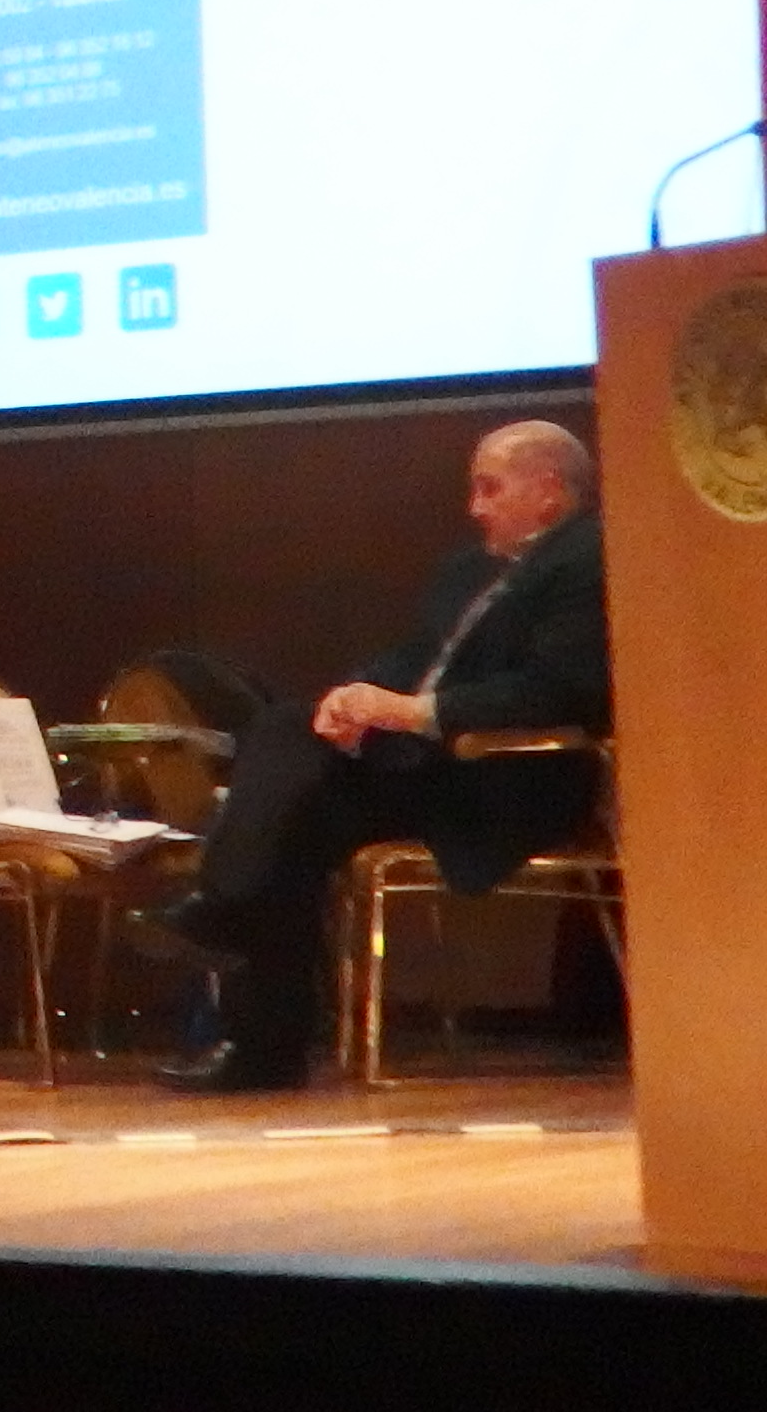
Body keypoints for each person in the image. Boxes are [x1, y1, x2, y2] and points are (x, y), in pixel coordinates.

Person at [132, 419, 608, 1092]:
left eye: (490, 489)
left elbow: (559, 690)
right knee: (291, 793)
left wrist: (413, 713)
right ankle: (262, 1044)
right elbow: (410, 658)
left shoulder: (589, 561)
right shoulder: (466, 570)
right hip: (426, 771)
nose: (475, 508)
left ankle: (221, 912)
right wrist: (352, 696)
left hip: (506, 776)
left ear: (550, 489)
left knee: (286, 774)